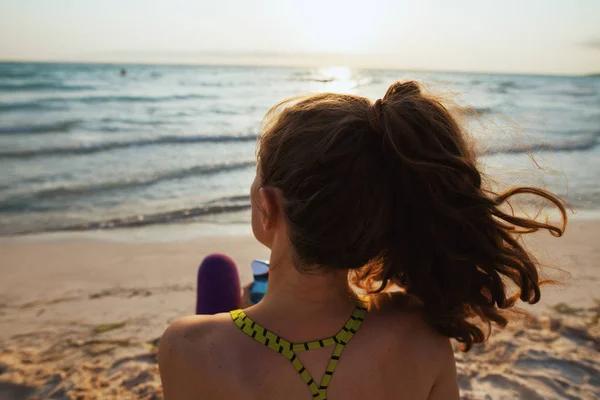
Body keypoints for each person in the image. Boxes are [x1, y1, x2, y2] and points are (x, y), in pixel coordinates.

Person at [159, 81, 566, 399]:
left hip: (228, 349)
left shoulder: (187, 346)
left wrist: (237, 325)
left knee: (217, 270)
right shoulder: (421, 336)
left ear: (268, 205)